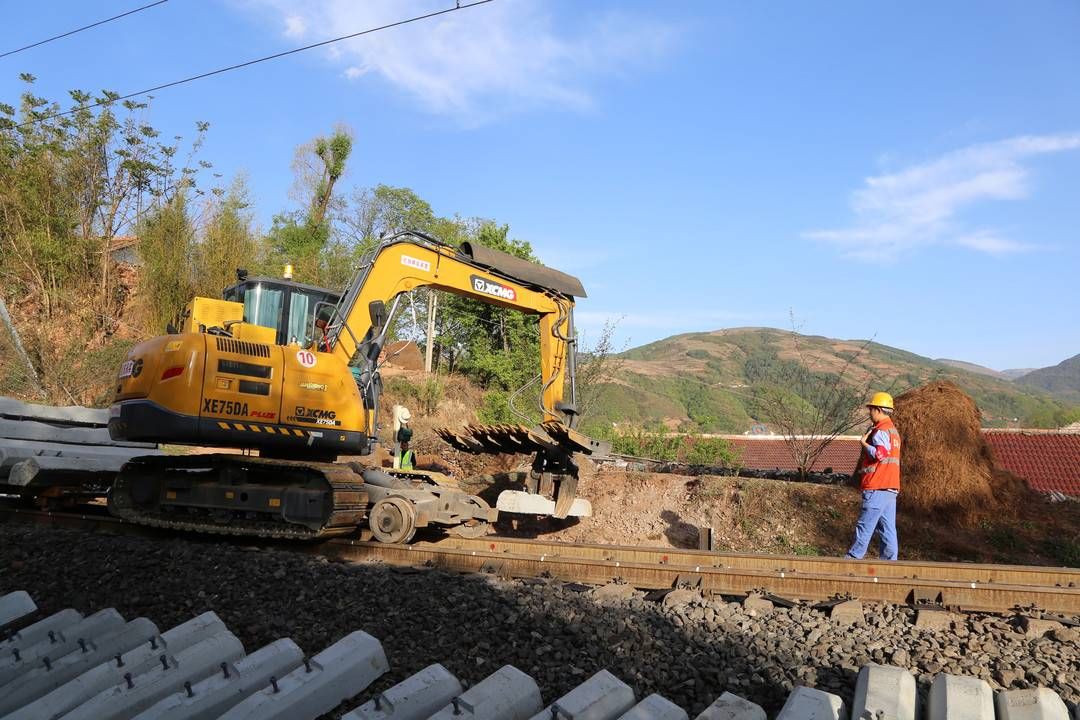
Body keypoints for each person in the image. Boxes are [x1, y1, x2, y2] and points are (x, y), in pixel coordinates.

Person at [846, 391, 901, 561]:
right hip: (890, 488)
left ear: (878, 409)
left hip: (877, 485)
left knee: (865, 525)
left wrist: (864, 444)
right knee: (888, 529)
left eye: (871, 409)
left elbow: (880, 454)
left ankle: (853, 559)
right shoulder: (894, 432)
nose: (870, 413)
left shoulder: (881, 430)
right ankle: (890, 563)